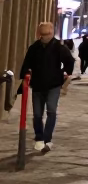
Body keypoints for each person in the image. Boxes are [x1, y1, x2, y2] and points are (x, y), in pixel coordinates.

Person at [19, 22, 75, 152]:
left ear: (52, 33)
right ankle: (39, 137)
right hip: (37, 85)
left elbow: (69, 61)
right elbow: (26, 63)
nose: (45, 37)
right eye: (43, 34)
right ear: (39, 34)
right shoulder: (34, 48)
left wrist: (65, 74)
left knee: (51, 111)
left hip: (53, 85)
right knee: (37, 114)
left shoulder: (59, 47)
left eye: (47, 34)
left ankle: (47, 139)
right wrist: (25, 75)